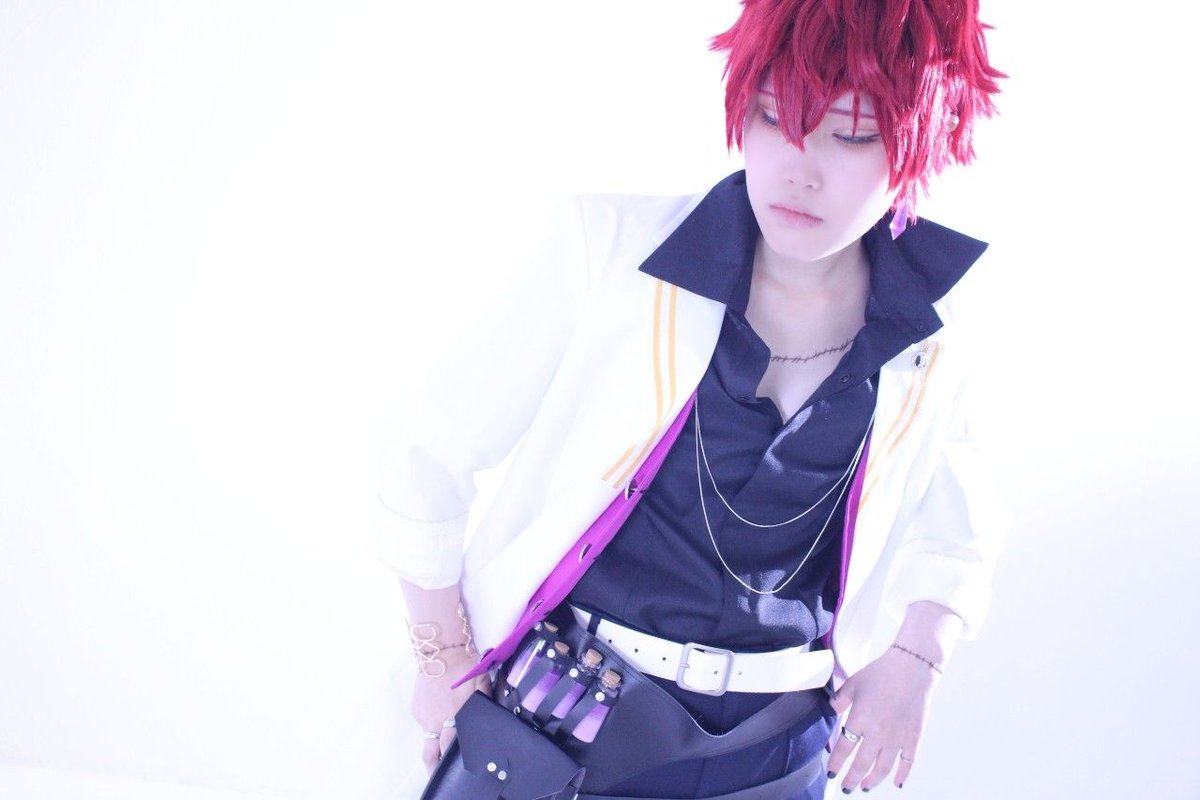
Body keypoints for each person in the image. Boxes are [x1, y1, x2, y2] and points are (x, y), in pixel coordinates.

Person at [378, 0, 1007, 796]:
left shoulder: (936, 332)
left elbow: (961, 530)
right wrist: (443, 658)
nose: (799, 167)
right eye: (773, 116)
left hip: (775, 753)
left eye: (850, 134)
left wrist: (918, 660)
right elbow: (428, 453)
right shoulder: (611, 251)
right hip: (562, 719)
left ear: (924, 140)